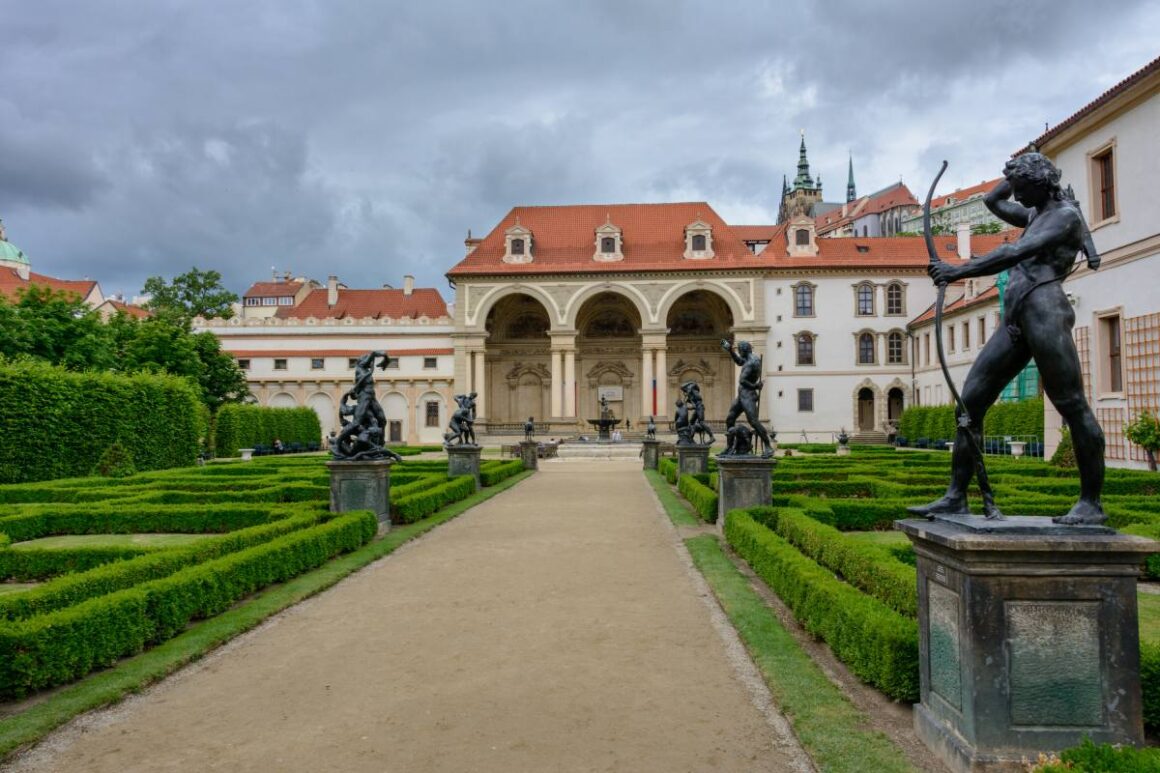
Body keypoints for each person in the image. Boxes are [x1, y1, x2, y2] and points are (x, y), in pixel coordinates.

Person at [909, 152, 1105, 524]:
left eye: (1021, 187)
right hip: (1015, 316)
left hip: (1044, 312)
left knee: (1072, 405)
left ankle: (1091, 503)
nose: (1015, 195)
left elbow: (1013, 251)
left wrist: (957, 271)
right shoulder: (1035, 215)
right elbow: (991, 201)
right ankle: (955, 496)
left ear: (1040, 183)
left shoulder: (1065, 217)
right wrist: (1014, 168)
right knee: (969, 405)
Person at [720, 339, 773, 456]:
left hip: (748, 395)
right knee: (730, 419)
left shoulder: (751, 363)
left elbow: (742, 380)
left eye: (739, 350)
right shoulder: (751, 359)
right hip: (742, 395)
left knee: (753, 421)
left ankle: (768, 446)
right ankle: (729, 447)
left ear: (743, 350)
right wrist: (730, 350)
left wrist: (755, 386)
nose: (739, 352)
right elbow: (739, 362)